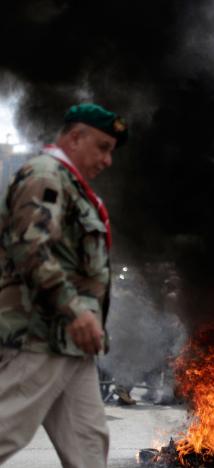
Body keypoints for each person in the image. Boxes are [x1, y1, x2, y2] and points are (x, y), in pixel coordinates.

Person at [0, 103, 127, 467]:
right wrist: (74, 310)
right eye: (102, 147)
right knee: (6, 430)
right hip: (39, 336)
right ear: (75, 137)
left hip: (71, 344)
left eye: (111, 151)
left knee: (89, 449)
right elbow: (30, 248)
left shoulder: (73, 185)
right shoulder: (46, 174)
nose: (108, 160)